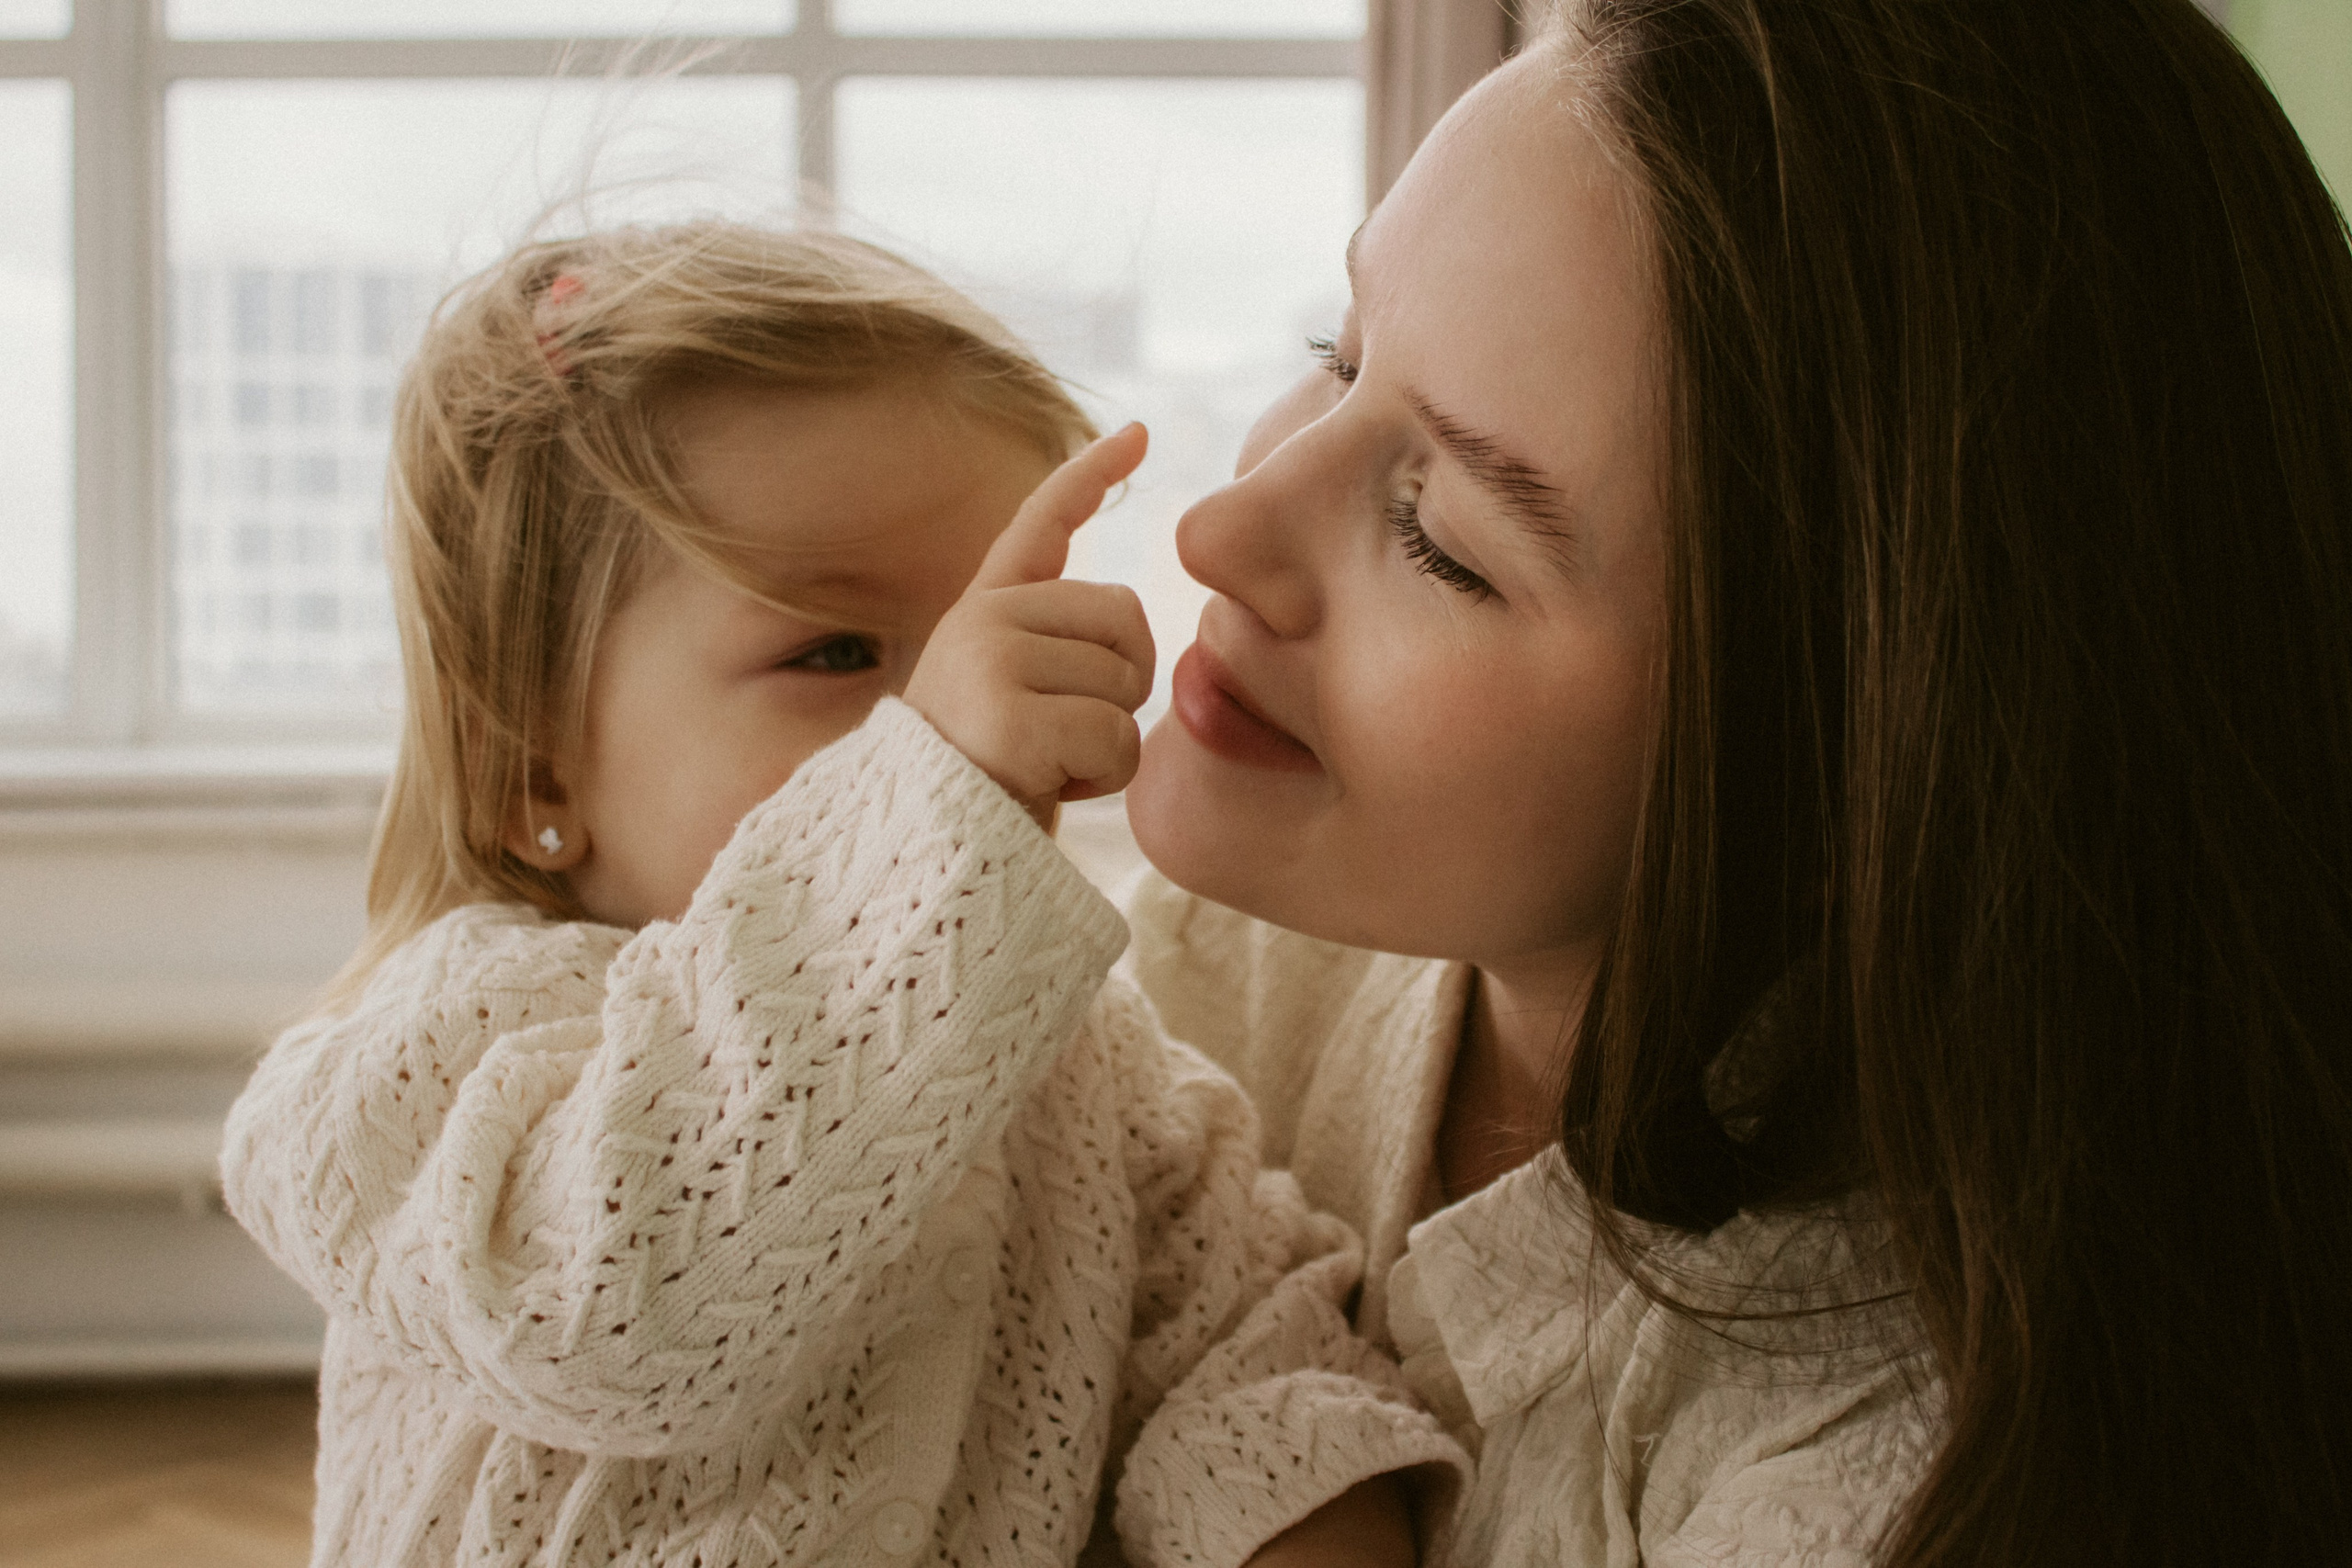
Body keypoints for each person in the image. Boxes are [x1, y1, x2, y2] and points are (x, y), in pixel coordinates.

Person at [1119, 0, 2352, 1562]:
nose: (1224, 527)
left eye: (1443, 541)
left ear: (1859, 764)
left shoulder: (1881, 1482)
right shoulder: (1248, 947)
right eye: (1337, 351)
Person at [220, 221, 1464, 1568]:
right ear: (529, 759)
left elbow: (1258, 1373)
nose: (966, 697)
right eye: (838, 651)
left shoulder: (1090, 1071)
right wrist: (929, 798)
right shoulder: (425, 1062)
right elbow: (609, 1317)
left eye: (1003, 618)